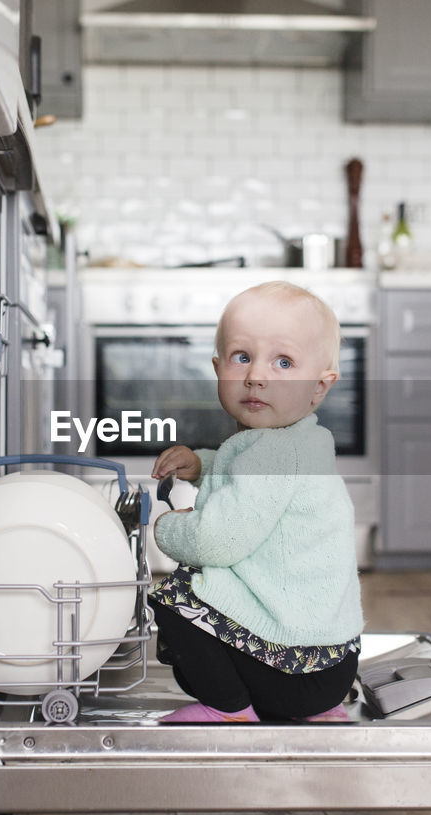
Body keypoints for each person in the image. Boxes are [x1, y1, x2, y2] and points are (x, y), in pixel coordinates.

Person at [147, 280, 364, 723]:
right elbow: (250, 477)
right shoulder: (306, 440)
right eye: (242, 357)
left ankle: (230, 711)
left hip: (290, 669)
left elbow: (215, 541)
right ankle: (319, 712)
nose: (256, 375)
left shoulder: (271, 451)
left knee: (175, 595)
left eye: (283, 362)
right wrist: (202, 464)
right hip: (328, 666)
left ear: (319, 387)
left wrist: (166, 527)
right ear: (217, 367)